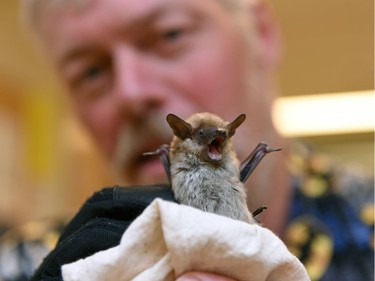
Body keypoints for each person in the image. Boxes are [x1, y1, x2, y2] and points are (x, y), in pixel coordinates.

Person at [0, 0, 373, 280]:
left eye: (169, 35)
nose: (131, 92)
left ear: (260, 34)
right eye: (91, 71)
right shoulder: (24, 264)